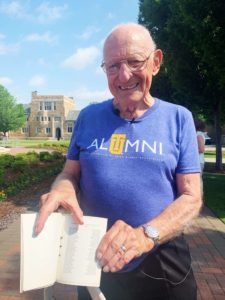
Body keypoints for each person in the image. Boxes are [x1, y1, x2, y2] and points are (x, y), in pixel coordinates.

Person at [36, 23, 202, 300]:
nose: (123, 75)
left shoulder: (178, 118)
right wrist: (63, 189)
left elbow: (191, 196)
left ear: (156, 62)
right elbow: (70, 173)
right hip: (96, 258)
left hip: (161, 259)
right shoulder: (88, 117)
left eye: (135, 61)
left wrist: (145, 236)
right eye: (112, 66)